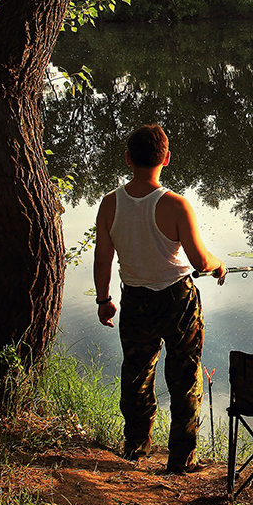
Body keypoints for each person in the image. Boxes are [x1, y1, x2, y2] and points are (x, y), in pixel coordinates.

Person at [93, 124, 228, 472]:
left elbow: (103, 258)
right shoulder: (175, 204)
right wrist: (219, 265)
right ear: (166, 158)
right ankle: (181, 460)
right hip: (177, 300)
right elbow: (200, 261)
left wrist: (103, 299)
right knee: (184, 378)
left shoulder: (110, 204)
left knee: (137, 375)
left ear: (127, 159)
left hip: (134, 300)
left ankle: (135, 449)